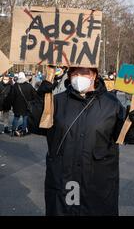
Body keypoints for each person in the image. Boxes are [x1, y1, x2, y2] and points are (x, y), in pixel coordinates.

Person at [36, 67, 127, 215]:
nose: (79, 77)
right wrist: (39, 99)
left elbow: (126, 137)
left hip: (96, 181)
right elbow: (35, 126)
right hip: (64, 178)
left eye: (84, 72)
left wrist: (132, 121)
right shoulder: (56, 101)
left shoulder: (112, 103)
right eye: (75, 73)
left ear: (94, 75)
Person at [9, 72, 37, 136]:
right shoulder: (28, 85)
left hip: (17, 105)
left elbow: (12, 96)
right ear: (24, 77)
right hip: (26, 105)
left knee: (16, 118)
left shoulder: (15, 86)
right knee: (25, 118)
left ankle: (13, 131)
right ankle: (23, 131)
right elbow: (34, 95)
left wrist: (12, 105)